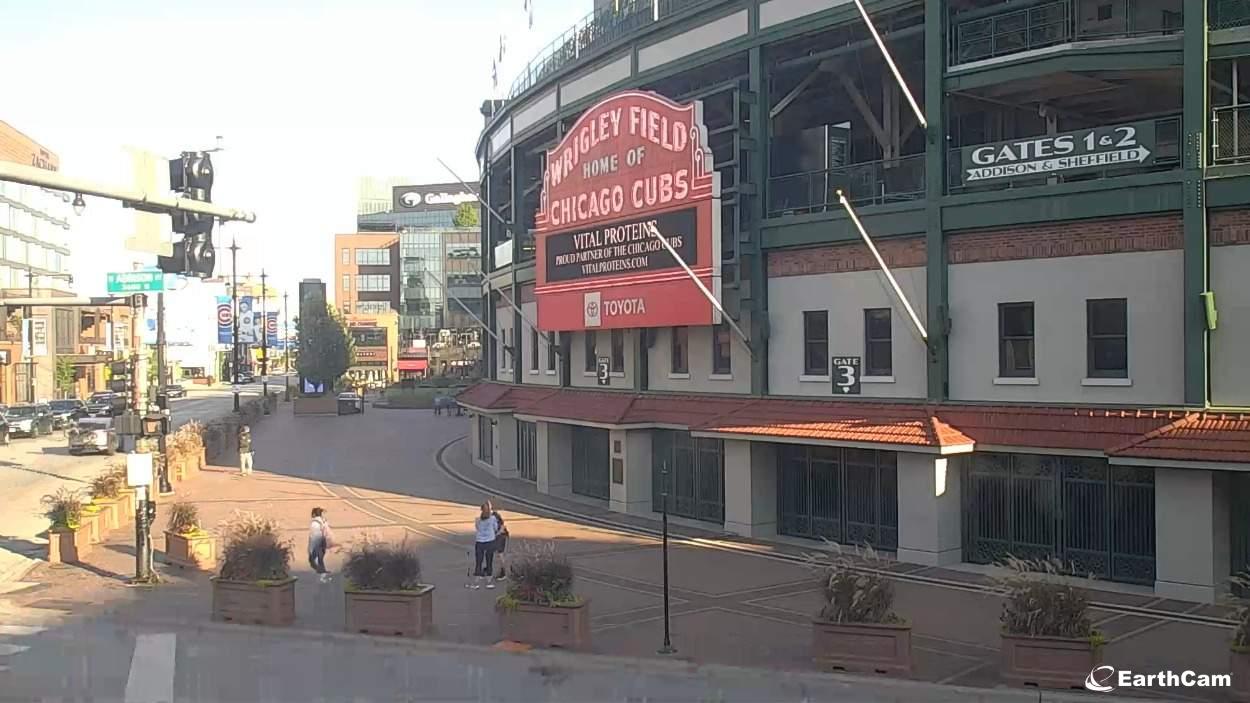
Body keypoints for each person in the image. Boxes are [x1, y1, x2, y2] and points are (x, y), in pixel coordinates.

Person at [470, 501, 498, 589]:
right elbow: (495, 528)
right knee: (489, 561)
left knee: (479, 562)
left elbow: (477, 528)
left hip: (479, 542)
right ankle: (489, 582)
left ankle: (476, 583)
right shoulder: (493, 518)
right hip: (490, 541)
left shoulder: (477, 519)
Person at [308, 507, 333, 583]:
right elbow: (328, 531)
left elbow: (314, 535)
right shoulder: (324, 521)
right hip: (323, 541)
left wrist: (311, 546)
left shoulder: (314, 523)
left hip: (317, 541)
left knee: (313, 559)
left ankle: (322, 575)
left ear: (314, 514)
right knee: (320, 558)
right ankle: (322, 573)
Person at [489, 501, 509, 581]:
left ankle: (503, 572)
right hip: (500, 537)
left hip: (500, 537)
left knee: (500, 555)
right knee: (499, 555)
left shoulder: (494, 517)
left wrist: (496, 534)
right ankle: (502, 571)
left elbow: (501, 528)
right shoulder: (495, 516)